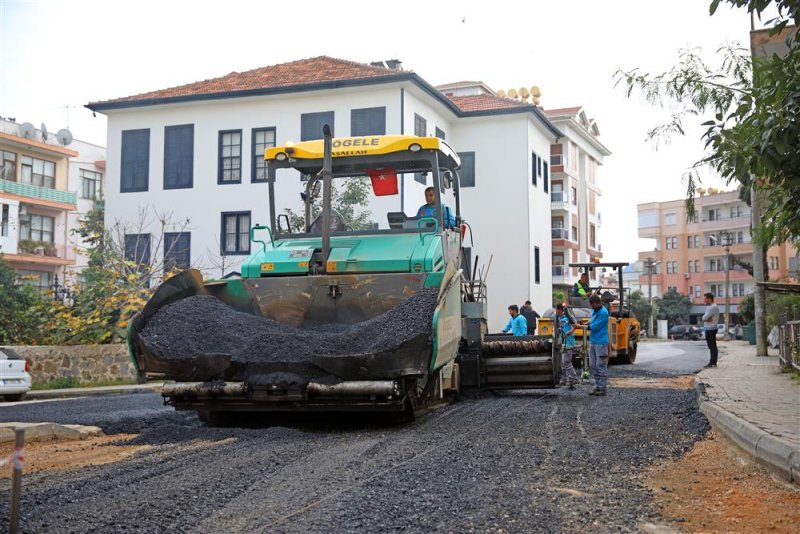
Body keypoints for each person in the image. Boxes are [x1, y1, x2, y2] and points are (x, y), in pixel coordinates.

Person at [588, 294, 609, 396]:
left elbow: (595, 326)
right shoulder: (595, 311)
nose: (592, 307)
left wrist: (583, 326)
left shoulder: (604, 313)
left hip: (601, 342)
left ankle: (602, 388)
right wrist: (585, 323)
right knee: (593, 365)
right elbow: (592, 321)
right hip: (593, 341)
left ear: (597, 303)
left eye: (593, 305)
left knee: (600, 365)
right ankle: (597, 386)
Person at [556, 303, 579, 389]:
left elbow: (574, 326)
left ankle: (574, 377)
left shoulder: (568, 317)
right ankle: (565, 378)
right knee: (563, 362)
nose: (556, 311)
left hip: (569, 343)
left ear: (560, 310)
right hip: (563, 342)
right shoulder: (559, 318)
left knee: (566, 361)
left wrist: (570, 331)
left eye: (557, 309)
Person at [702, 292, 720, 368]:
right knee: (711, 346)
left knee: (712, 346)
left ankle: (713, 362)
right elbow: (705, 318)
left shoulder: (713, 307)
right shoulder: (708, 307)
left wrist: (706, 319)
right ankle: (712, 362)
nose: (704, 300)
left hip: (711, 328)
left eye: (705, 299)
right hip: (708, 328)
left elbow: (704, 318)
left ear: (709, 299)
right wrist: (706, 319)